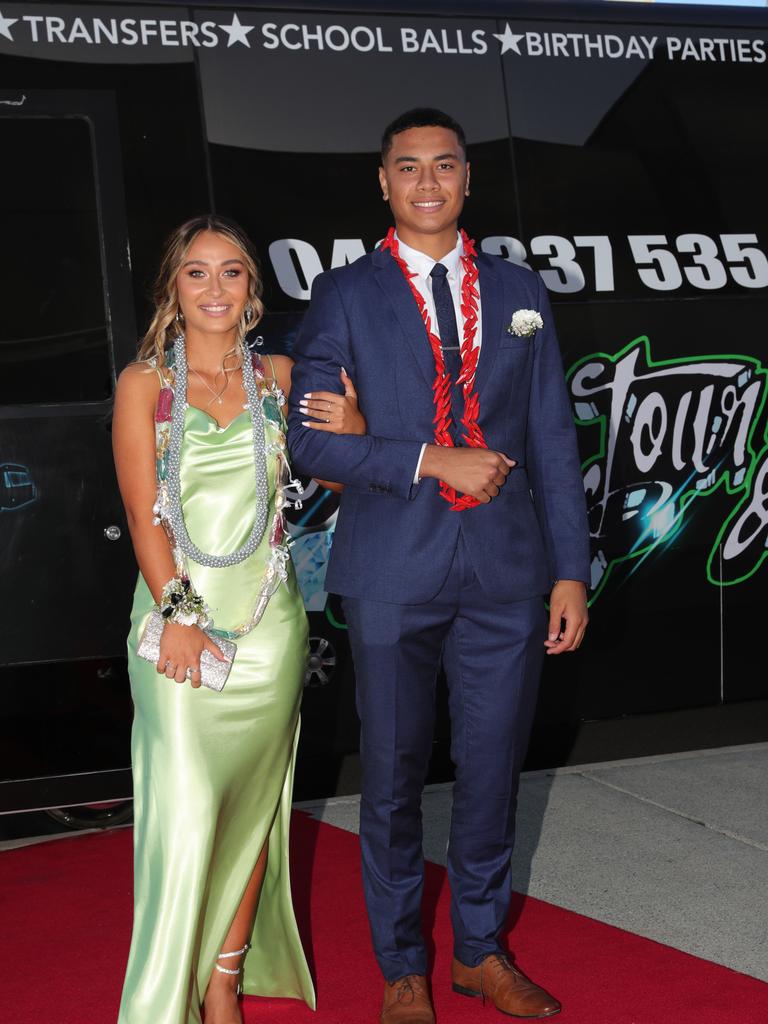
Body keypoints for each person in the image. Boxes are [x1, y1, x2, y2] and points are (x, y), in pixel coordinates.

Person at [288, 109, 590, 1023]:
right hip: (391, 572)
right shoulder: (343, 296)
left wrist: (569, 569)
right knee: (390, 774)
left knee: (495, 769)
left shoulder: (519, 289)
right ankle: (403, 966)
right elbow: (310, 444)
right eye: (407, 167)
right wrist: (424, 456)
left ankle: (481, 952)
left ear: (467, 180)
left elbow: (549, 439)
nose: (427, 182)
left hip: (506, 573)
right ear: (382, 182)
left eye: (444, 166)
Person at [112, 215, 363, 1024]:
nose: (215, 288)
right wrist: (180, 613)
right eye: (197, 273)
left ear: (252, 289)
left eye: (231, 273)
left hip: (269, 629)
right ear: (172, 290)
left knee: (255, 810)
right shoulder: (144, 385)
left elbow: (348, 479)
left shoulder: (281, 378)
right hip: (178, 626)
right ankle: (162, 1000)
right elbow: (145, 516)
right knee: (185, 811)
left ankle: (224, 980)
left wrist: (354, 433)